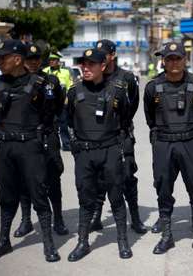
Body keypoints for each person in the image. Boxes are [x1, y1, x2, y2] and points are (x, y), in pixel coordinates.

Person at [0, 39, 60, 262]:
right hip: (5, 147)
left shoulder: (39, 84)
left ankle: (48, 244)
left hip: (30, 147)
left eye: (2, 57)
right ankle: (3, 240)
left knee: (39, 194)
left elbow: (50, 113)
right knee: (6, 195)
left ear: (17, 59)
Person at [144, 42, 193, 256]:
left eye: (177, 58)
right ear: (163, 61)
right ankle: (166, 236)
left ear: (185, 59)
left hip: (190, 142)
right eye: (169, 58)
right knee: (163, 188)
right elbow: (149, 117)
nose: (173, 62)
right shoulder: (153, 87)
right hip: (164, 143)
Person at [66, 48, 132, 261]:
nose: (85, 68)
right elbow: (68, 121)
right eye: (83, 64)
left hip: (110, 150)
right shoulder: (74, 91)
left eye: (91, 64)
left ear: (103, 66)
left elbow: (125, 118)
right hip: (84, 153)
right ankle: (83, 242)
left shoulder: (118, 90)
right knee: (86, 198)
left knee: (115, 196)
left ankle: (122, 240)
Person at [88, 39, 147, 235]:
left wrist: (121, 125)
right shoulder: (92, 77)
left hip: (121, 135)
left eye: (103, 54)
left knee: (128, 175)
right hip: (97, 137)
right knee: (98, 177)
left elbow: (133, 105)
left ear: (112, 55)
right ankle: (96, 216)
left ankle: (136, 218)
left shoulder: (127, 78)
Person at [12, 43, 68, 238]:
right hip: (24, 138)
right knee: (24, 180)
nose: (33, 63)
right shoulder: (14, 82)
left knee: (53, 177)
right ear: (22, 61)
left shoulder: (50, 81)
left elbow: (60, 105)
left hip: (47, 135)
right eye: (29, 59)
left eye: (36, 59)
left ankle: (58, 219)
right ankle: (26, 220)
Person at [43, 53, 72, 151]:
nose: (51, 61)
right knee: (48, 124)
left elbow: (69, 87)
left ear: (58, 61)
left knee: (63, 124)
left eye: (54, 60)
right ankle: (48, 143)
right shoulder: (45, 71)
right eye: (50, 59)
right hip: (48, 103)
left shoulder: (65, 72)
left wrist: (67, 100)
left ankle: (66, 144)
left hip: (61, 102)